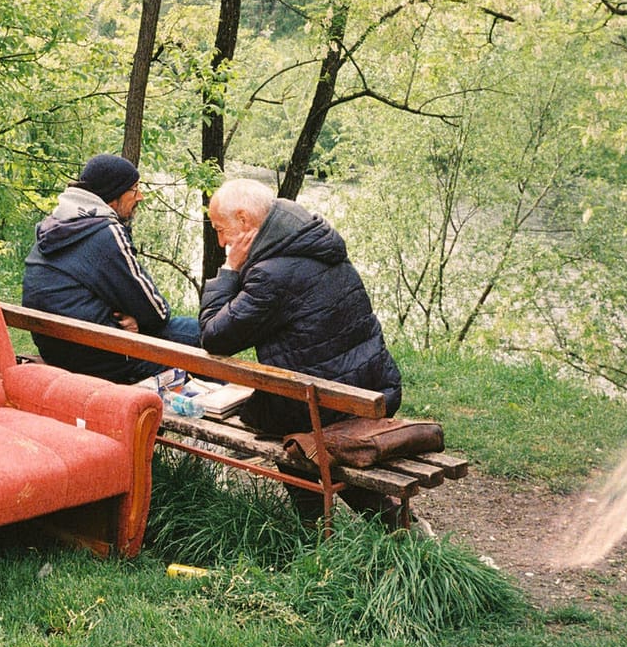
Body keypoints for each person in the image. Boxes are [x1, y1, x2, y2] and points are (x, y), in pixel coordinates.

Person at [200, 177, 404, 517]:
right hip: (375, 386)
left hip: (326, 403)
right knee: (290, 408)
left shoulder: (271, 274)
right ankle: (386, 518)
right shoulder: (316, 243)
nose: (221, 240)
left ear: (245, 221)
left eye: (221, 230)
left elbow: (214, 337)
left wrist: (229, 270)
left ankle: (312, 524)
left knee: (280, 423)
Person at [21, 153, 202, 382]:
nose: (141, 197)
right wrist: (132, 319)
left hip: (60, 350)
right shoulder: (105, 232)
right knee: (203, 336)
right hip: (103, 358)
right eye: (135, 189)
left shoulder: (54, 226)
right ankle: (223, 411)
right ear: (113, 194)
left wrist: (130, 318)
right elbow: (157, 312)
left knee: (188, 333)